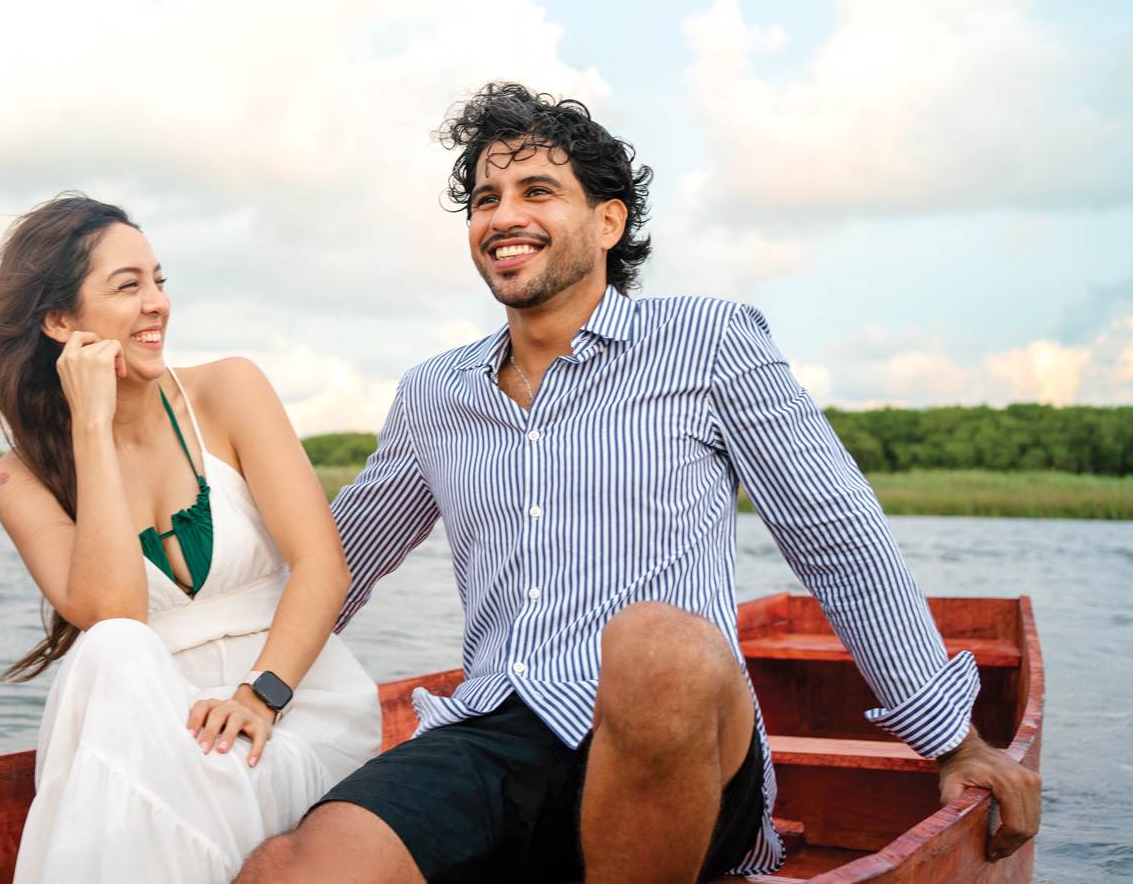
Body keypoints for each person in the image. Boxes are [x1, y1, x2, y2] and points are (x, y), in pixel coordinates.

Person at [238, 83, 1042, 884]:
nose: (502, 215)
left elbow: (838, 540)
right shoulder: (433, 393)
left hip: (675, 737)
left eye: (537, 191)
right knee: (286, 867)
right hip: (496, 728)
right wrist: (242, 688)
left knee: (656, 645)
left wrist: (955, 741)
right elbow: (334, 564)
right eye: (486, 198)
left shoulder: (709, 342)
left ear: (609, 220)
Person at [0, 194, 381, 884]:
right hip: (153, 729)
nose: (157, 302)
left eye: (159, 280)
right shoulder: (20, 480)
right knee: (116, 646)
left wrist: (257, 695)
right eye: (128, 286)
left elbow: (322, 566)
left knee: (183, 769)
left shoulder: (230, 389)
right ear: (61, 321)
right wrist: (91, 425)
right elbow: (115, 610)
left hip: (286, 703)